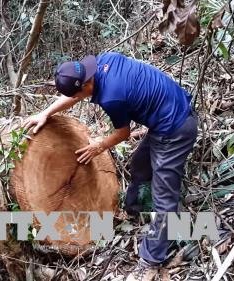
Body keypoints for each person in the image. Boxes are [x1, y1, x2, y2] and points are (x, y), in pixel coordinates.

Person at [22, 52, 198, 281]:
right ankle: (136, 211)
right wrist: (46, 113)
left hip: (175, 129)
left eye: (79, 94)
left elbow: (123, 133)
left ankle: (151, 259)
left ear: (85, 84)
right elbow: (77, 95)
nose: (80, 98)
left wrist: (98, 146)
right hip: (167, 113)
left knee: (165, 199)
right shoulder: (102, 61)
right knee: (140, 167)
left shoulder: (112, 97)